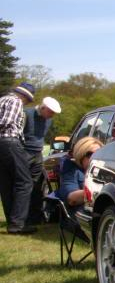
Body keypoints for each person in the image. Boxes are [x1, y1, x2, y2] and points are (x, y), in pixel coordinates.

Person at [0, 82, 37, 234]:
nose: (27, 103)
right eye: (28, 100)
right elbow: (6, 122)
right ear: (24, 96)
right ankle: (18, 224)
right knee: (25, 182)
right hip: (9, 141)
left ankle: (12, 221)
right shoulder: (15, 101)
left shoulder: (2, 99)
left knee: (6, 183)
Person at [22, 95, 61, 224]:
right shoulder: (26, 114)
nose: (52, 116)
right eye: (50, 112)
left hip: (38, 154)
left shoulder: (48, 120)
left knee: (36, 186)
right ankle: (22, 217)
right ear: (43, 108)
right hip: (24, 152)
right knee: (23, 185)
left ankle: (35, 216)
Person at [58, 136, 103, 211]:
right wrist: (100, 191)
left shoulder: (106, 170)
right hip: (81, 215)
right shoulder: (71, 169)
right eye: (90, 154)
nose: (95, 158)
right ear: (81, 155)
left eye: (99, 154)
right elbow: (72, 199)